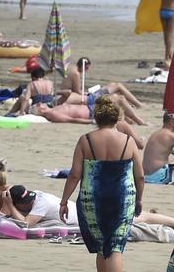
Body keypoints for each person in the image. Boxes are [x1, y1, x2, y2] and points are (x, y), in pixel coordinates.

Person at [59, 99, 143, 272]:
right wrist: (139, 200)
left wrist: (64, 201)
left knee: (101, 245)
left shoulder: (86, 140)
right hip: (121, 197)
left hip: (93, 197)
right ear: (117, 119)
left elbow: (75, 174)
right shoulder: (128, 141)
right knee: (115, 245)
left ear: (97, 118)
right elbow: (140, 176)